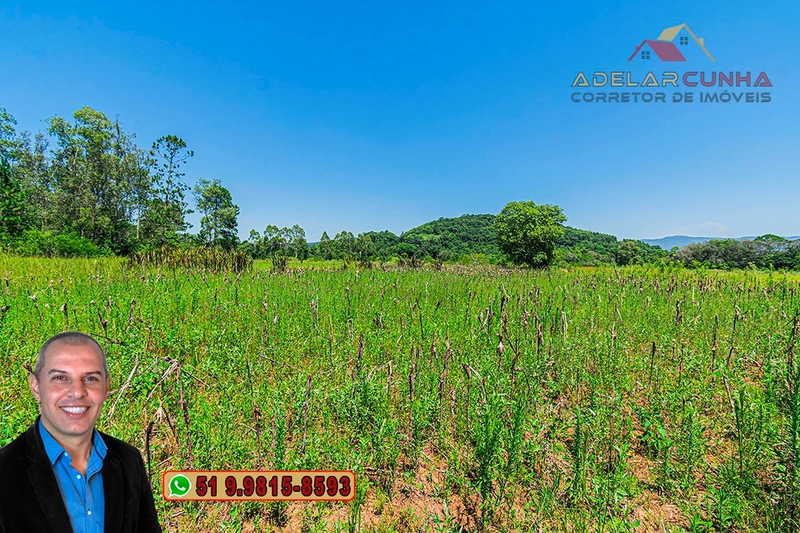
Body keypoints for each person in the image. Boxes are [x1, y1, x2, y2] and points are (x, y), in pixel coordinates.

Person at [0, 331, 162, 533]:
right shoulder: (4, 471)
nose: (77, 392)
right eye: (60, 377)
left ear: (106, 387)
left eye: (91, 378)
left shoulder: (129, 460)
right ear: (36, 386)